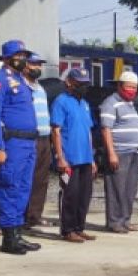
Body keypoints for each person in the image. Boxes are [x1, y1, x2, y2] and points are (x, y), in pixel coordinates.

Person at [0, 40, 41, 255]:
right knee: (9, 186)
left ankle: (17, 233)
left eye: (25, 55)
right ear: (8, 58)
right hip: (12, 143)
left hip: (28, 142)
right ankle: (9, 238)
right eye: (19, 55)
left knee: (23, 188)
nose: (23, 59)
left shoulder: (22, 80)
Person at [50, 69, 97, 243]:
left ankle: (79, 227)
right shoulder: (61, 101)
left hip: (85, 156)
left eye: (85, 83)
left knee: (84, 195)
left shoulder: (84, 103)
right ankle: (68, 229)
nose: (83, 87)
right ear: (69, 82)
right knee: (70, 194)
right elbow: (56, 131)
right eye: (79, 83)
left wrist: (92, 158)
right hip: (70, 157)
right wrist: (60, 157)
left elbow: (89, 131)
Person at [99, 71, 138, 233]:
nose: (131, 90)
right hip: (119, 152)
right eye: (128, 87)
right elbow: (106, 129)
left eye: (134, 87)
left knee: (129, 189)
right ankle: (114, 222)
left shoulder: (130, 104)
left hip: (134, 152)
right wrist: (111, 153)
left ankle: (126, 220)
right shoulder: (110, 103)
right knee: (116, 188)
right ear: (119, 86)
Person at [23, 51, 54, 230]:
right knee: (27, 178)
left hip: (44, 137)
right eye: (34, 64)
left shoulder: (40, 87)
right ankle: (22, 216)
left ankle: (35, 216)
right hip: (29, 137)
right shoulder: (21, 85)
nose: (37, 68)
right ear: (25, 65)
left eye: (39, 64)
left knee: (41, 179)